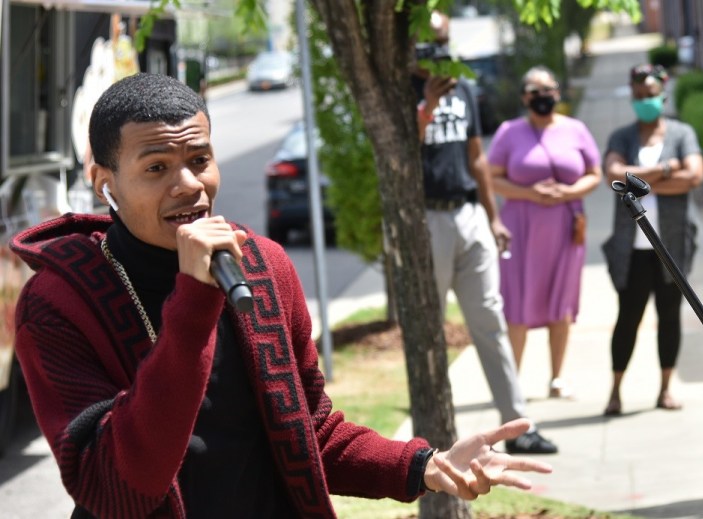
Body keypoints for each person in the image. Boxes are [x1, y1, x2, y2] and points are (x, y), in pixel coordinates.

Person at [11, 73, 553, 518]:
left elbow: (310, 431)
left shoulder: (263, 267)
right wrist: (193, 303)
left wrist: (424, 466)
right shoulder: (59, 303)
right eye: (156, 168)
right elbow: (114, 489)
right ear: (102, 180)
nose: (189, 185)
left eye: (199, 159)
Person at [413, 13, 558, 455]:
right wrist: (427, 105)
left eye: (443, 40)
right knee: (430, 328)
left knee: (491, 321)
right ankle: (435, 439)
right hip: (428, 220)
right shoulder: (401, 91)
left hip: (470, 215)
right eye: (429, 42)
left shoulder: (463, 88)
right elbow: (400, 149)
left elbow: (477, 157)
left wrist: (493, 217)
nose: (438, 50)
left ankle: (518, 428)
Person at [487, 65, 602, 400]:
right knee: (517, 304)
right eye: (535, 92)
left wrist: (568, 192)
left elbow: (595, 174)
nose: (543, 97)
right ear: (524, 98)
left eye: (548, 90)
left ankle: (557, 378)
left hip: (566, 228)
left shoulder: (576, 130)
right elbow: (491, 178)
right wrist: (530, 193)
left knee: (561, 302)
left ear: (558, 93)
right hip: (521, 230)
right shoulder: (509, 132)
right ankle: (512, 385)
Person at [600, 64, 703, 416]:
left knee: (669, 316)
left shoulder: (682, 133)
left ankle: (665, 388)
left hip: (671, 245)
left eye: (651, 94)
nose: (646, 100)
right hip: (632, 249)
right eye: (639, 95)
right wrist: (666, 170)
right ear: (632, 96)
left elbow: (694, 176)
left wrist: (638, 183)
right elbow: (613, 174)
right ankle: (615, 390)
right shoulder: (622, 136)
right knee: (627, 318)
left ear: (663, 93)